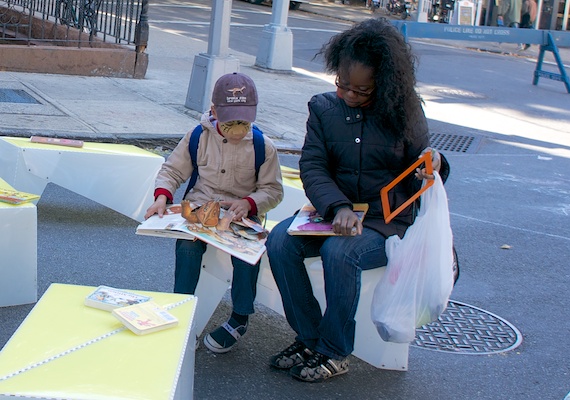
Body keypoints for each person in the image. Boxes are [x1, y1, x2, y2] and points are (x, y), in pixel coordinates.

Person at [265, 18, 450, 383]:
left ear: (385, 83)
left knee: (340, 252)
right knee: (280, 242)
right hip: (334, 210)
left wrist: (435, 166)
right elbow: (314, 166)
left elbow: (426, 165)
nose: (349, 96)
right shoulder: (323, 109)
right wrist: (338, 207)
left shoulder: (406, 111)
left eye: (362, 91)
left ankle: (335, 351)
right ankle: (309, 337)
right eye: (343, 85)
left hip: (386, 221)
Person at [144, 72, 283, 353]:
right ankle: (181, 310)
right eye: (230, 122)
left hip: (240, 215)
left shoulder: (262, 146)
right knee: (187, 249)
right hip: (200, 209)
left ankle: (240, 317)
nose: (237, 130)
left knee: (247, 257)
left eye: (244, 123)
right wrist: (162, 197)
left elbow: (273, 190)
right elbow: (172, 170)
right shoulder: (197, 136)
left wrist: (250, 203)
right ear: (214, 111)